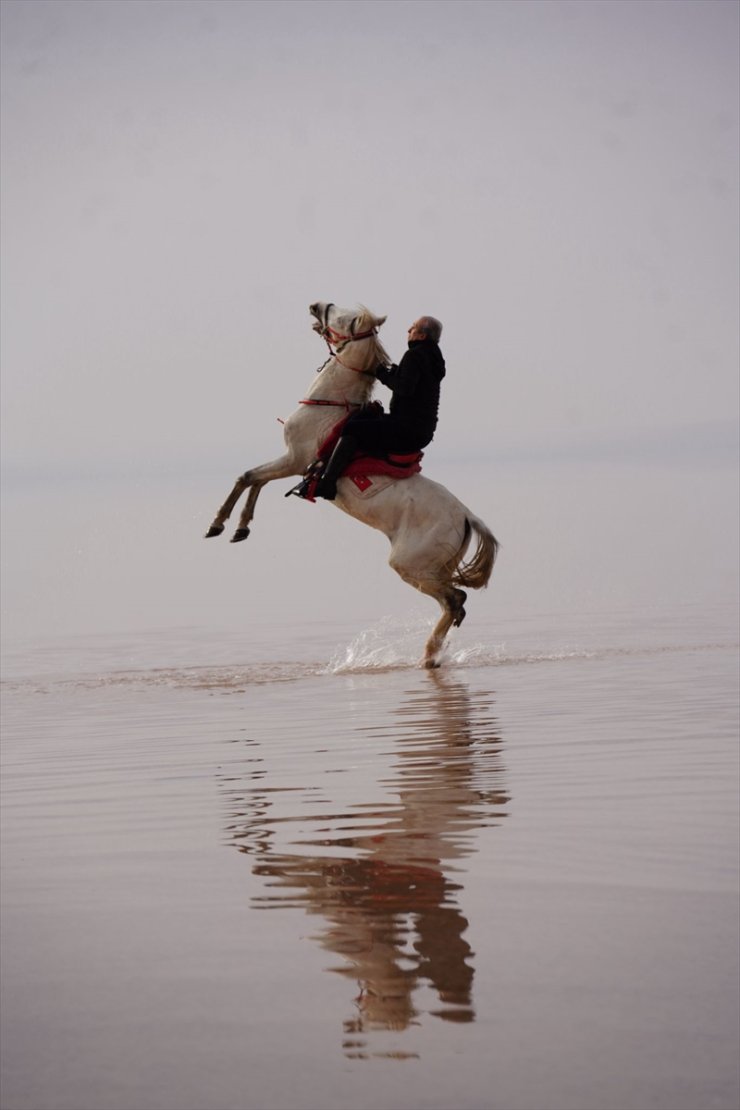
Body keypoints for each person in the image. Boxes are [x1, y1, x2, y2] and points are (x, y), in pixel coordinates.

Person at [313, 315, 446, 500]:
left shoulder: (415, 355)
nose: (408, 330)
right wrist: (392, 371)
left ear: (422, 336)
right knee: (363, 418)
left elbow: (404, 388)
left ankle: (327, 483)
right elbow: (410, 382)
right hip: (419, 431)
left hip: (406, 429)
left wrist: (381, 373)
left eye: (413, 327)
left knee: (353, 428)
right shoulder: (432, 358)